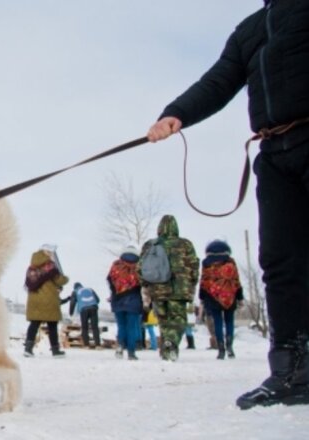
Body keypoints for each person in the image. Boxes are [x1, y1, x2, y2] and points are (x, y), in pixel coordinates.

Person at [146, 0, 309, 408]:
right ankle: (291, 370)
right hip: (274, 150)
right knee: (279, 262)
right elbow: (219, 81)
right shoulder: (249, 29)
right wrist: (176, 113)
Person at [138, 215, 199, 362]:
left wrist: (146, 285)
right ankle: (171, 343)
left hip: (157, 290)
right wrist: (192, 283)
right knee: (178, 320)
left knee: (164, 320)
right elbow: (194, 266)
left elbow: (140, 268)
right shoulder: (185, 244)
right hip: (179, 290)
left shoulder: (150, 245)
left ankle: (167, 351)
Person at [199, 240, 245, 360]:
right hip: (230, 296)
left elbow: (204, 281)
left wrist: (202, 297)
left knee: (217, 322)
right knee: (229, 322)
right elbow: (236, 280)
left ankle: (221, 350)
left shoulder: (206, 263)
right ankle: (230, 347)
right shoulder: (230, 262)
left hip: (213, 297)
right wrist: (240, 297)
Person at [24, 245, 70, 357]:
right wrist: (65, 278)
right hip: (48, 299)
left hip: (34, 299)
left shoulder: (31, 267)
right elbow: (59, 280)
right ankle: (55, 350)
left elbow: (29, 284)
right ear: (45, 252)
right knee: (52, 325)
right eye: (49, 252)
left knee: (34, 324)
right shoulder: (49, 266)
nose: (51, 254)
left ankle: (28, 349)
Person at [107, 245, 143, 360]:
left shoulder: (116, 265)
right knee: (131, 327)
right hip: (134, 300)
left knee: (121, 325)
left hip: (118, 300)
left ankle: (120, 346)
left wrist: (115, 294)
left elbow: (110, 280)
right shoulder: (139, 266)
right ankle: (131, 352)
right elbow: (144, 282)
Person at [69, 282, 102, 349]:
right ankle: (98, 345)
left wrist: (71, 312)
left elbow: (72, 302)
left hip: (84, 310)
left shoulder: (75, 291)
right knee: (95, 327)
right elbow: (97, 300)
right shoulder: (90, 289)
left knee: (84, 327)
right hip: (93, 308)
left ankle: (86, 345)